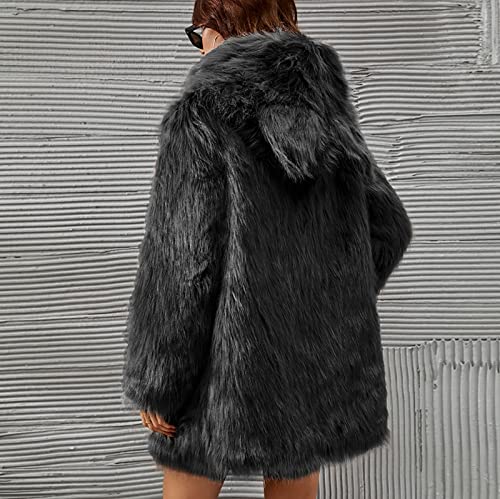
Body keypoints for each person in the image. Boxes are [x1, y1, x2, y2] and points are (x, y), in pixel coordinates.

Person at [121, 0, 413, 498]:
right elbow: (389, 226)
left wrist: (159, 382)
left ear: (218, 29)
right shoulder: (330, 114)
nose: (197, 49)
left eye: (196, 34)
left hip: (221, 374)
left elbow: (184, 264)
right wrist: (327, 306)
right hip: (312, 370)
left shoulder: (202, 114)